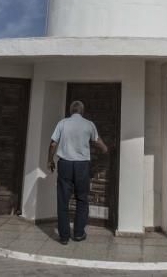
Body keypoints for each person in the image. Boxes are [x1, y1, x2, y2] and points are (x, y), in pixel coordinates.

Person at [47, 100, 108, 244]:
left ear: (70, 111)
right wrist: (105, 149)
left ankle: (64, 237)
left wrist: (50, 159)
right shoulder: (89, 124)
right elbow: (97, 140)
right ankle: (79, 233)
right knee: (82, 199)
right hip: (82, 166)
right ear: (82, 111)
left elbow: (53, 143)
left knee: (63, 201)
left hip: (65, 165)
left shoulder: (62, 123)